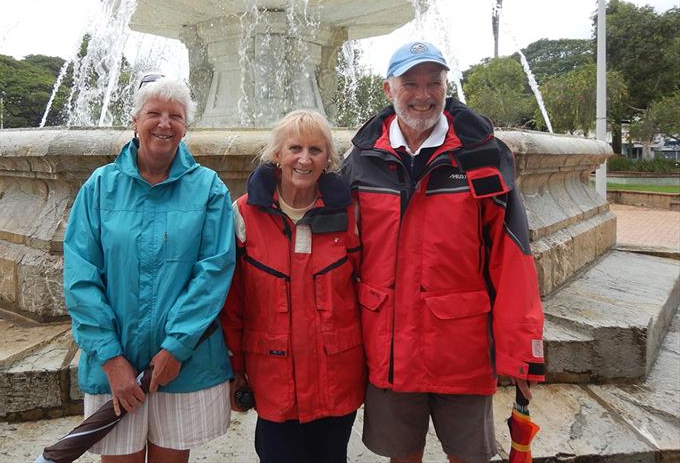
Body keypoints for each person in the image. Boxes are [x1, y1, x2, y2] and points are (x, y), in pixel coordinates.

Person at [341, 42, 545, 463]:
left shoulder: (482, 155)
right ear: (388, 89)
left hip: (461, 350)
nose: (423, 94)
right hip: (389, 347)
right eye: (410, 83)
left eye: (434, 82)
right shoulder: (359, 160)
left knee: (469, 456)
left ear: (446, 87)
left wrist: (523, 353)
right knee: (402, 455)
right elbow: (341, 255)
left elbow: (512, 260)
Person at [63, 74, 235, 463]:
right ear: (135, 120)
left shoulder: (208, 188)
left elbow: (214, 271)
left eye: (175, 115)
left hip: (182, 365)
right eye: (153, 113)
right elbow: (80, 275)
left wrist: (176, 347)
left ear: (186, 126)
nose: (164, 123)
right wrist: (110, 357)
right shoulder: (99, 187)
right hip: (114, 367)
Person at [220, 109, 365, 463]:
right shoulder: (244, 214)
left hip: (336, 377)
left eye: (315, 150)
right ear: (277, 155)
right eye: (295, 148)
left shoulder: (348, 215)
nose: (304, 159)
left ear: (327, 158)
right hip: (273, 380)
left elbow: (365, 291)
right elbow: (233, 301)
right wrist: (234, 368)